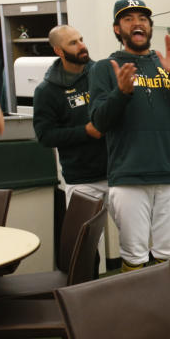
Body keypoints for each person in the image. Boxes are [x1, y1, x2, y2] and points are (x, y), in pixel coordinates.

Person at [89, 0, 170, 275]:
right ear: (117, 29)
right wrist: (121, 93)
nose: (137, 23)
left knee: (168, 255)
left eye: (142, 18)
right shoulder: (104, 68)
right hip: (129, 178)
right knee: (134, 256)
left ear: (150, 27)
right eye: (128, 19)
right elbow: (99, 122)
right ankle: (136, 319)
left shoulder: (169, 64)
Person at [33, 25, 108, 205]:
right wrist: (86, 131)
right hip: (82, 179)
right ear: (59, 50)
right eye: (73, 43)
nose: (82, 46)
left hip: (117, 172)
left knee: (133, 232)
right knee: (87, 233)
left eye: (81, 39)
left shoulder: (101, 74)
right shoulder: (46, 90)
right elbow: (45, 136)